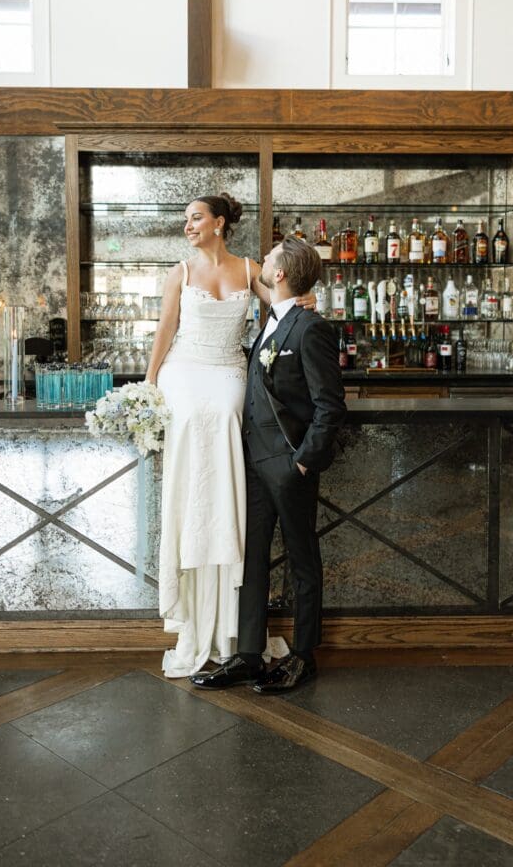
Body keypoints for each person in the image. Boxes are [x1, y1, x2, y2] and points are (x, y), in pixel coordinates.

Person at [145, 193, 313, 678]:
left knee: (225, 417)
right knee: (198, 422)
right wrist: (151, 384)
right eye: (185, 219)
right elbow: (165, 330)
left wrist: (306, 298)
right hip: (185, 369)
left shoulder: (249, 269)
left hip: (229, 372)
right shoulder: (179, 272)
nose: (187, 226)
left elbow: (282, 298)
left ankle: (232, 608)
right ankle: (192, 573)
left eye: (195, 218)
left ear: (219, 223)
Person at [190, 236, 346, 694]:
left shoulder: (309, 328)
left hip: (289, 466)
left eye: (272, 256)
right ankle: (249, 656)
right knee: (252, 560)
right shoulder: (274, 321)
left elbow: (329, 407)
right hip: (254, 464)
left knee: (302, 561)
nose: (264, 258)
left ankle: (303, 656)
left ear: (279, 273)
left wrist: (303, 463)